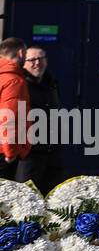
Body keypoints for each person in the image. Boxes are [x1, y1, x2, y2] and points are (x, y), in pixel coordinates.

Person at [20, 47, 64, 191]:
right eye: (32, 60)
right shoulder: (20, 85)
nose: (37, 63)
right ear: (24, 63)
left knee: (53, 196)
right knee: (27, 195)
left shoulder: (51, 83)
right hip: (29, 154)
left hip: (52, 153)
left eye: (41, 58)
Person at [0, 38, 28, 182]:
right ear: (21, 53)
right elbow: (8, 118)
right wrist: (10, 153)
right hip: (3, 152)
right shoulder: (14, 80)